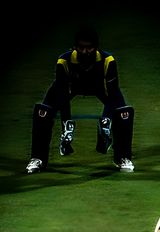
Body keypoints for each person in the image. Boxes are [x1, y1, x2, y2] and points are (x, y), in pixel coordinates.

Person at [26, 26, 134, 174]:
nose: (85, 51)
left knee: (124, 113)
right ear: (75, 47)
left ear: (96, 48)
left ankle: (122, 157)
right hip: (70, 89)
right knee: (42, 112)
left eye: (89, 48)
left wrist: (106, 119)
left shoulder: (108, 60)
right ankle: (37, 158)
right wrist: (66, 123)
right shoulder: (63, 60)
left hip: (100, 89)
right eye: (81, 47)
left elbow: (113, 92)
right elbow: (62, 93)